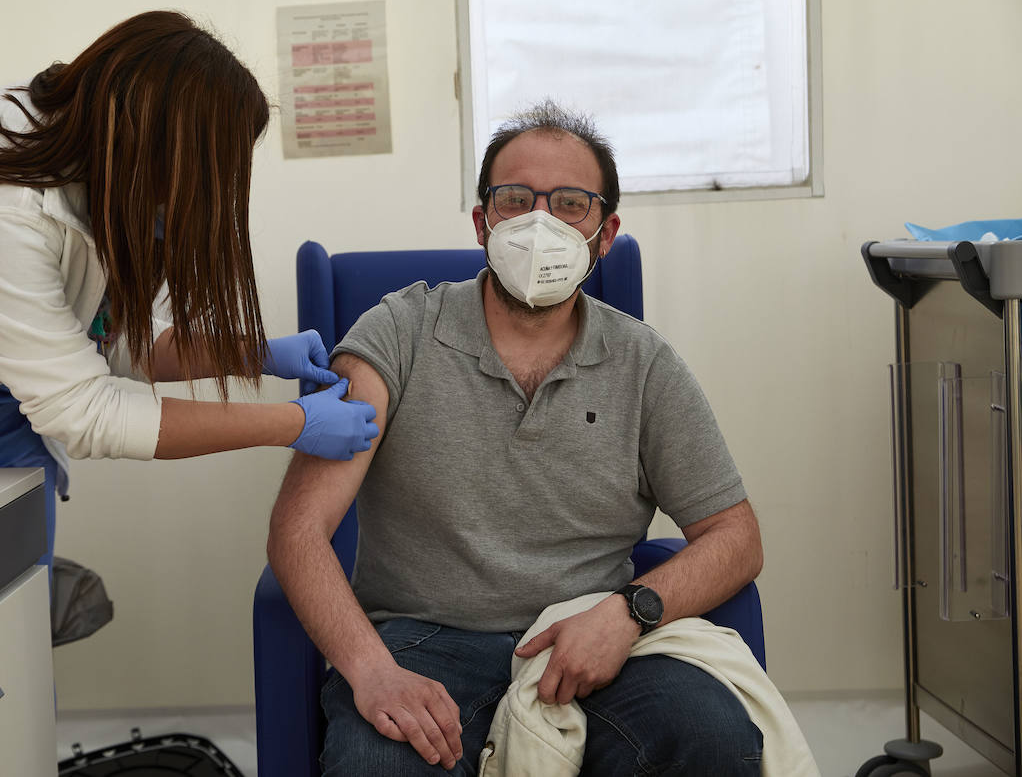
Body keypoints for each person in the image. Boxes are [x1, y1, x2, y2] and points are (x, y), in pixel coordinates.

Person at [267, 101, 766, 775]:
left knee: (713, 737)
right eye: (514, 200)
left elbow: (736, 537)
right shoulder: (400, 332)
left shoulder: (644, 366)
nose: (540, 223)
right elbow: (299, 528)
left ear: (605, 231)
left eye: (569, 203)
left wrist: (629, 613)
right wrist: (372, 671)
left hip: (592, 638)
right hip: (423, 644)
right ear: (481, 222)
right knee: (375, 765)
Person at [0, 10, 379, 564]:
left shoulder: (109, 177)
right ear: (156, 147)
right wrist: (291, 423)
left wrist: (250, 352)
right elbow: (82, 409)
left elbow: (110, 338)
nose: (200, 201)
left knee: (8, 640)